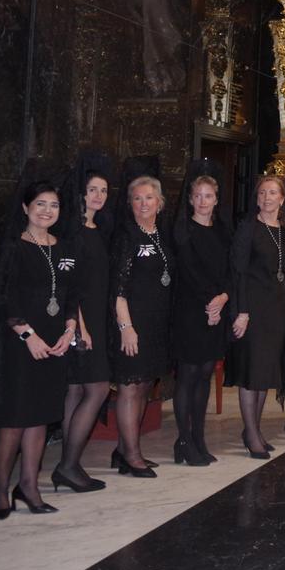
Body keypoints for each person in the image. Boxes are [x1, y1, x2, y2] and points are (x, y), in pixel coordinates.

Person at [0, 176, 77, 518]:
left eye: (54, 205)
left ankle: (28, 486)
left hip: (55, 344)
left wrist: (69, 329)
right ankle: (0, 487)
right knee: (15, 417)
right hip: (20, 344)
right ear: (26, 207)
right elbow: (4, 298)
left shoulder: (63, 247)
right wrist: (28, 335)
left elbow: (71, 294)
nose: (47, 211)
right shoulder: (13, 247)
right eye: (40, 204)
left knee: (39, 417)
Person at [53, 152, 113, 492]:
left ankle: (69, 463)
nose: (98, 196)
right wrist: (80, 327)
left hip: (96, 320)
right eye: (93, 190)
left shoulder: (96, 229)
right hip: (81, 322)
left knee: (76, 390)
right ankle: (68, 465)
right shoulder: (74, 232)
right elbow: (69, 285)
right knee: (98, 388)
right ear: (81, 193)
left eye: (103, 190)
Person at [110, 164, 174, 477]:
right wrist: (126, 328)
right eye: (137, 198)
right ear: (130, 203)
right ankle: (132, 455)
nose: (144, 203)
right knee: (129, 387)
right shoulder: (126, 236)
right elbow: (118, 288)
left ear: (159, 203)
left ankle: (124, 449)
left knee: (145, 385)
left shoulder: (162, 233)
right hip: (132, 324)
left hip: (156, 324)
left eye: (149, 198)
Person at [170, 161, 232, 466]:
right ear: (191, 199)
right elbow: (189, 271)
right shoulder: (183, 230)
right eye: (198, 196)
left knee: (206, 374)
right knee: (188, 375)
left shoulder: (223, 231)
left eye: (209, 196)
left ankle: (198, 438)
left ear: (216, 199)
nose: (203, 201)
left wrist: (223, 298)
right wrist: (211, 303)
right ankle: (183, 440)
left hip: (217, 309)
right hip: (190, 311)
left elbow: (231, 270)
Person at [229, 175, 285, 460]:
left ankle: (254, 428)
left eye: (273, 192)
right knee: (250, 372)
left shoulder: (284, 231)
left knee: (265, 372)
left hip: (276, 310)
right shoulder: (248, 228)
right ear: (257, 198)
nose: (267, 198)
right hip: (252, 309)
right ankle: (251, 432)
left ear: (282, 198)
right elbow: (238, 272)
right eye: (262, 193)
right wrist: (242, 311)